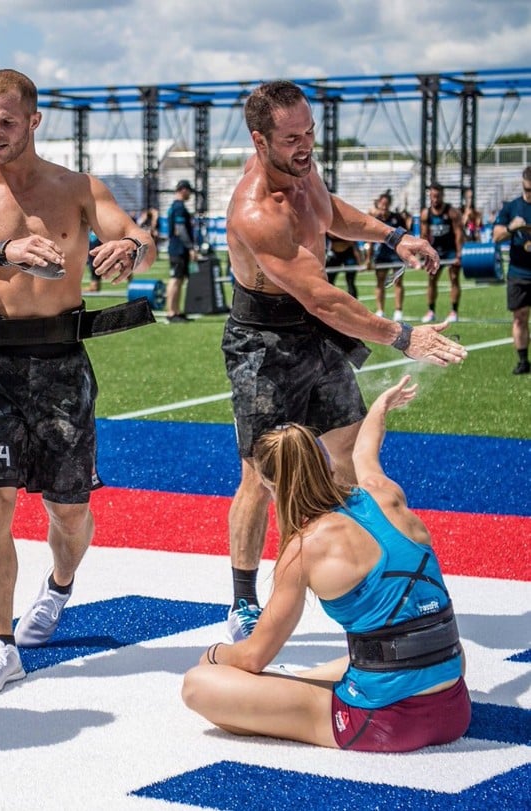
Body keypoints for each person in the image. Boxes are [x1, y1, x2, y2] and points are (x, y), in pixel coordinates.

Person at [0, 68, 156, 695]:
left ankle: (58, 586)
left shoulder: (77, 188)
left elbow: (138, 236)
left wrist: (129, 250)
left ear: (33, 120)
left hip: (61, 365)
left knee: (69, 511)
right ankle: (0, 643)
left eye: (7, 121)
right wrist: (1, 253)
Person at [220, 80, 467, 644]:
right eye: (291, 138)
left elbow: (330, 212)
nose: (306, 145)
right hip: (264, 344)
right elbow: (324, 299)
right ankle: (243, 601)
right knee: (262, 476)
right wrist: (403, 336)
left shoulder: (304, 172)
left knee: (349, 456)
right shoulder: (257, 212)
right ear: (260, 141)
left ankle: (362, 571)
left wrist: (392, 235)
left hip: (313, 335)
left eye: (309, 131)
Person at [182, 376, 471, 752]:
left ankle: (290, 695)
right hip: (454, 704)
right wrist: (379, 408)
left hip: (384, 721)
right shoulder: (382, 492)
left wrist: (215, 655)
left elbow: (253, 656)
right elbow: (365, 452)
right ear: (323, 462)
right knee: (375, 651)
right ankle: (298, 683)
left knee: (199, 684)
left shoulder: (304, 549)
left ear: (273, 486)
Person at [492, 165, 531, 375]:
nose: (530, 194)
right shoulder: (512, 207)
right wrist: (511, 228)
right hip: (519, 272)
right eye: (527, 190)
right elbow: (496, 236)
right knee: (520, 317)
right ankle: (523, 360)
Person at [419, 182, 464, 323]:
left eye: (437, 196)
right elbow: (424, 235)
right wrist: (424, 254)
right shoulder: (426, 214)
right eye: (432, 196)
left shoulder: (452, 212)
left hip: (451, 250)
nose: (435, 199)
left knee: (454, 278)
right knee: (431, 280)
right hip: (435, 252)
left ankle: (454, 312)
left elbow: (459, 233)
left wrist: (459, 253)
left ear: (442, 195)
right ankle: (431, 311)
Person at [368, 191, 410, 320]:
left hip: (396, 254)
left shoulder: (397, 218)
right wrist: (368, 259)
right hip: (381, 255)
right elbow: (369, 239)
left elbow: (405, 237)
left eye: (386, 204)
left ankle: (398, 310)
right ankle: (380, 310)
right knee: (380, 282)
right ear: (379, 204)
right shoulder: (375, 219)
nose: (384, 207)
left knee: (398, 281)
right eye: (382, 204)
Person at [166, 180, 197, 322]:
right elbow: (180, 229)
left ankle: (176, 311)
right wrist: (190, 247)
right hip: (178, 249)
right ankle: (171, 312)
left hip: (178, 248)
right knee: (175, 279)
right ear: (183, 190)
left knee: (179, 280)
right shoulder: (179, 207)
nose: (190, 194)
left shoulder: (175, 206)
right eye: (189, 190)